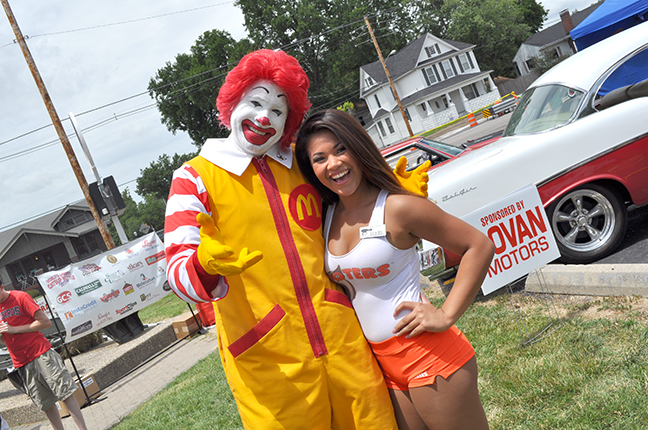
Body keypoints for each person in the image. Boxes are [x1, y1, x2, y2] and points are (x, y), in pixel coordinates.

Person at [164, 49, 427, 429]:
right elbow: (177, 275)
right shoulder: (194, 178)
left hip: (343, 338)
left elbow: (351, 204)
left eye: (277, 111)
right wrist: (202, 265)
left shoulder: (302, 164)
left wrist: (391, 197)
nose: (263, 117)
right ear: (233, 101)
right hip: (267, 358)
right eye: (255, 102)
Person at [295, 108, 495, 430]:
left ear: (358, 149)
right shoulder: (326, 217)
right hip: (381, 364)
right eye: (320, 158)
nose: (333, 164)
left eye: (341, 149)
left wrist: (445, 314)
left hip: (429, 354)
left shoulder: (398, 207)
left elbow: (478, 246)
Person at [0, 282, 87, 430]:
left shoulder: (20, 297)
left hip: (41, 353)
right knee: (45, 403)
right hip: (21, 362)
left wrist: (15, 329)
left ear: (1, 286)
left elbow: (45, 322)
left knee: (64, 393)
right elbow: (5, 339)